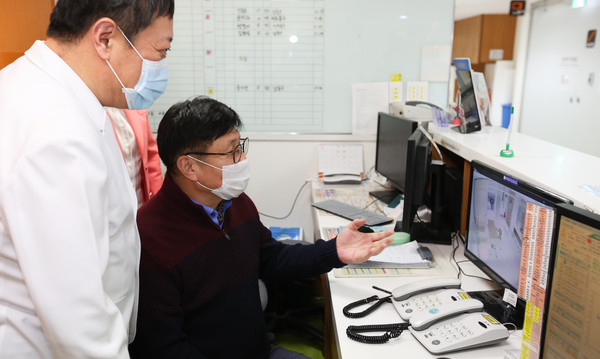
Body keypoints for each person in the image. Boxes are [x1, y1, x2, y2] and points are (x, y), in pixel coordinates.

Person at [129, 96, 394, 358]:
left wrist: (334, 251)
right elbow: (163, 347)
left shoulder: (234, 201)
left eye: (240, 146)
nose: (242, 158)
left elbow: (271, 257)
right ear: (189, 166)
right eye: (231, 151)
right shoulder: (153, 237)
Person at [0, 1, 174, 358]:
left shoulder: (51, 90)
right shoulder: (56, 135)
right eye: (159, 51)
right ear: (105, 38)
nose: (160, 67)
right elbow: (77, 322)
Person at [105, 107, 163, 207]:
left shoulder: (135, 108)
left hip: (142, 205)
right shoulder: (91, 111)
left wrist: (158, 203)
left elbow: (151, 157)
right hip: (113, 209)